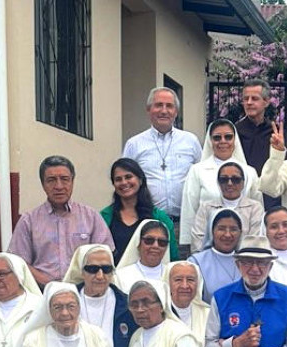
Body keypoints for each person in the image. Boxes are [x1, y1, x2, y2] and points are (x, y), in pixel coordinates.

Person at [8, 155, 114, 287]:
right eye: (51, 180)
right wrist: (50, 286)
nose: (58, 186)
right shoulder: (28, 220)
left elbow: (105, 256)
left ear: (72, 181)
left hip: (85, 291)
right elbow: (19, 262)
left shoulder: (91, 217)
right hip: (42, 292)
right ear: (43, 184)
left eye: (64, 179)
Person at [122, 87, 202, 225]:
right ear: (149, 110)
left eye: (169, 106)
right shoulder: (134, 144)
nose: (164, 111)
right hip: (147, 223)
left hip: (184, 224)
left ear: (176, 112)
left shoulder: (191, 141)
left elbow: (203, 177)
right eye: (159, 105)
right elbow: (124, 182)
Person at [180, 119, 262, 251]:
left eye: (228, 137)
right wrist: (188, 243)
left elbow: (257, 207)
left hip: (245, 247)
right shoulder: (197, 170)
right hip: (206, 245)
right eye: (217, 138)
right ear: (210, 141)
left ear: (234, 140)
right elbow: (190, 208)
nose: (223, 141)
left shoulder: (249, 172)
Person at [100, 157, 178, 265]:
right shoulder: (105, 217)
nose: (124, 182)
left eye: (128, 177)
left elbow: (172, 257)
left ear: (140, 180)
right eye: (118, 179)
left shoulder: (160, 218)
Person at [189, 162, 263, 253]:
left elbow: (254, 240)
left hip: (244, 262)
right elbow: (198, 240)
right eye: (224, 179)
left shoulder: (255, 208)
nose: (230, 183)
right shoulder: (206, 207)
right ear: (218, 183)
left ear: (243, 182)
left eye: (235, 179)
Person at [236, 80, 287, 189]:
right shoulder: (235, 132)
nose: (249, 102)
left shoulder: (276, 133)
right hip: (242, 190)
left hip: (270, 193)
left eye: (254, 98)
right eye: (246, 99)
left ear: (266, 102)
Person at [188, 209, 244, 302]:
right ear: (212, 231)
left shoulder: (248, 261)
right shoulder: (196, 262)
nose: (227, 235)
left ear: (240, 233)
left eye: (233, 229)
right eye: (221, 229)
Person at [114, 220, 171, 292]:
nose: (155, 246)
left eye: (162, 242)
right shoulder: (120, 277)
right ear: (138, 243)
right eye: (149, 240)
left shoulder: (174, 275)